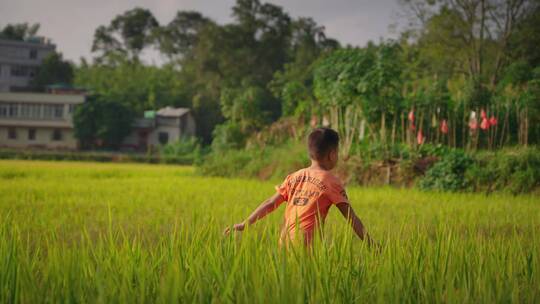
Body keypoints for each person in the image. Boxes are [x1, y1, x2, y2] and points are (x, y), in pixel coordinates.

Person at [224, 127, 376, 249]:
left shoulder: (294, 176)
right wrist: (372, 245)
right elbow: (351, 218)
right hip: (307, 245)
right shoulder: (331, 181)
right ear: (332, 154)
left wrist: (245, 223)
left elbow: (270, 203)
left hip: (284, 243)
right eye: (337, 152)